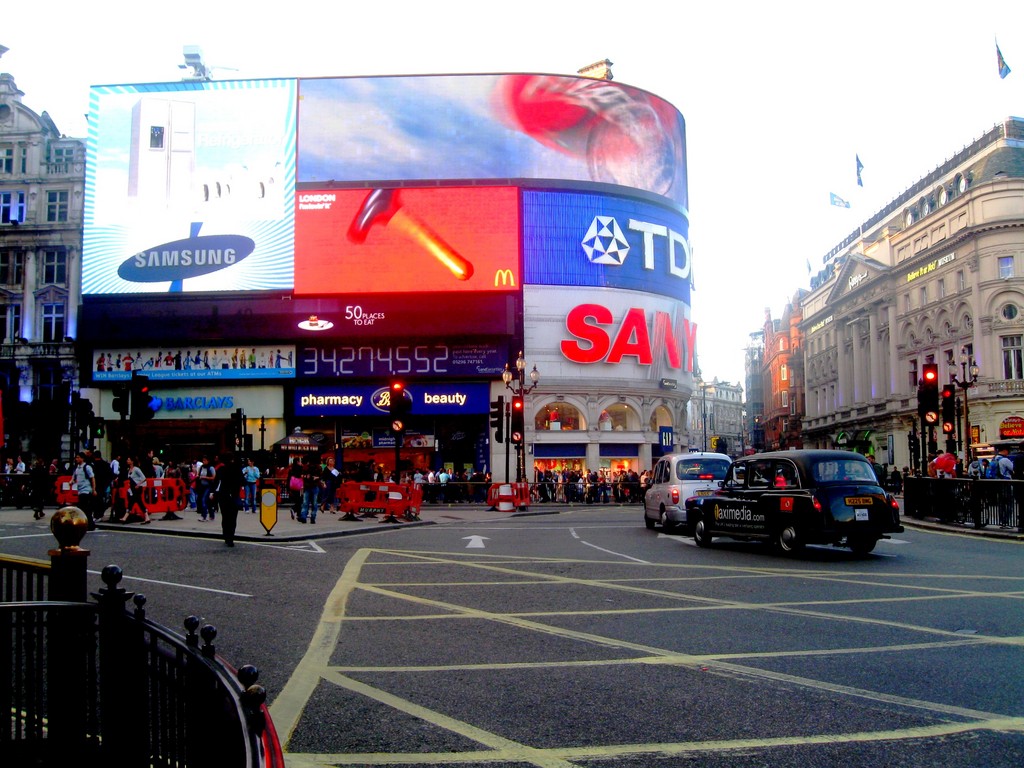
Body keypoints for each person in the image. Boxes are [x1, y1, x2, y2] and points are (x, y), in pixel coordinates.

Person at [217, 452, 241, 546]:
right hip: (234, 495)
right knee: (233, 518)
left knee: (225, 517)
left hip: (223, 495)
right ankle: (231, 537)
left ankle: (226, 536)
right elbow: (242, 481)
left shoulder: (222, 469)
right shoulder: (237, 469)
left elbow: (218, 481)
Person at [119, 456, 151, 524]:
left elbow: (144, 478)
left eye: (128, 460)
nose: (127, 461)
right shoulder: (129, 469)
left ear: (132, 461)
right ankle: (147, 517)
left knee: (132, 502)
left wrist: (138, 485)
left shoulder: (136, 469)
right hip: (132, 489)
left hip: (137, 488)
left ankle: (125, 517)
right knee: (138, 502)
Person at [71, 452, 97, 529]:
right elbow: (74, 477)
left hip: (86, 491)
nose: (77, 459)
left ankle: (90, 525)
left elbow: (92, 478)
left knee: (85, 509)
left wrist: (94, 489)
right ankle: (87, 524)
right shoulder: (77, 468)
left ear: (83, 458)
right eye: (76, 458)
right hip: (80, 491)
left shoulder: (87, 467)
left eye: (78, 457)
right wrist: (71, 482)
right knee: (83, 509)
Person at [196, 456, 216, 522]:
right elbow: (198, 474)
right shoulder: (201, 467)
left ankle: (204, 516)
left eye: (205, 460)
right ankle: (211, 515)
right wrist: (198, 476)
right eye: (203, 460)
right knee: (208, 502)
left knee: (204, 500)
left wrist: (205, 477)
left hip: (209, 486)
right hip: (202, 486)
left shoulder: (211, 468)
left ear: (208, 461)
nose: (204, 462)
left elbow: (213, 477)